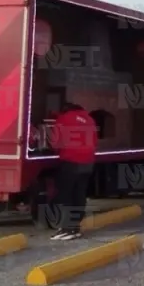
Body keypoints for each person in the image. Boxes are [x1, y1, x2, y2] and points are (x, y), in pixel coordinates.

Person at [49, 102, 98, 240]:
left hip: (71, 161)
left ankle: (67, 228)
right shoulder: (89, 119)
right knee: (79, 194)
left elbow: (55, 142)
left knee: (65, 195)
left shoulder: (64, 119)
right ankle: (75, 227)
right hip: (88, 163)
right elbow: (94, 141)